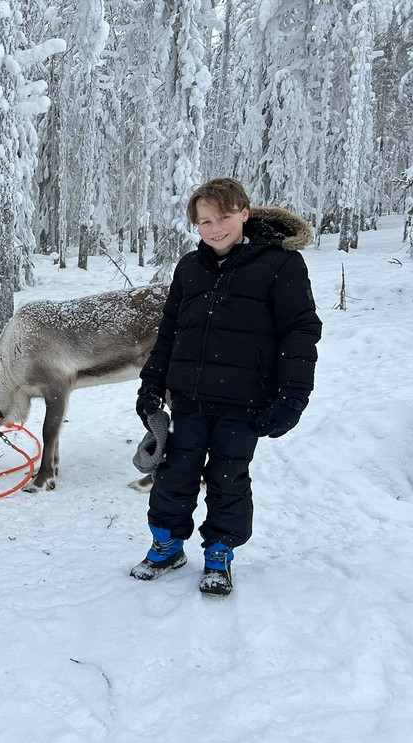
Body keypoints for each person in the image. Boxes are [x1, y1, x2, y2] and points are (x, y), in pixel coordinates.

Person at [130, 178, 322, 596]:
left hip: (246, 401)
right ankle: (166, 546)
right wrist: (151, 386)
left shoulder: (280, 264)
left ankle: (219, 552)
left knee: (228, 477)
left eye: (224, 218)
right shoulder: (189, 268)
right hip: (188, 398)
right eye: (204, 221)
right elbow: (169, 333)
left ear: (245, 214)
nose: (215, 229)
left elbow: (300, 332)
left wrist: (292, 398)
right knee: (173, 473)